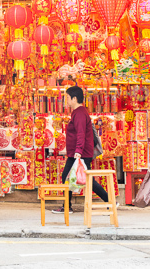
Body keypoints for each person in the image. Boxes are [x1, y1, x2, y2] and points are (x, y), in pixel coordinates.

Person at [52, 86, 110, 215]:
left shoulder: (79, 113)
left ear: (74, 98)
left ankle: (109, 200)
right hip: (78, 153)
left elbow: (81, 134)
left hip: (80, 153)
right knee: (69, 177)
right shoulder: (79, 112)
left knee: (84, 179)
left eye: (67, 97)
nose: (65, 100)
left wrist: (78, 151)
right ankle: (67, 206)